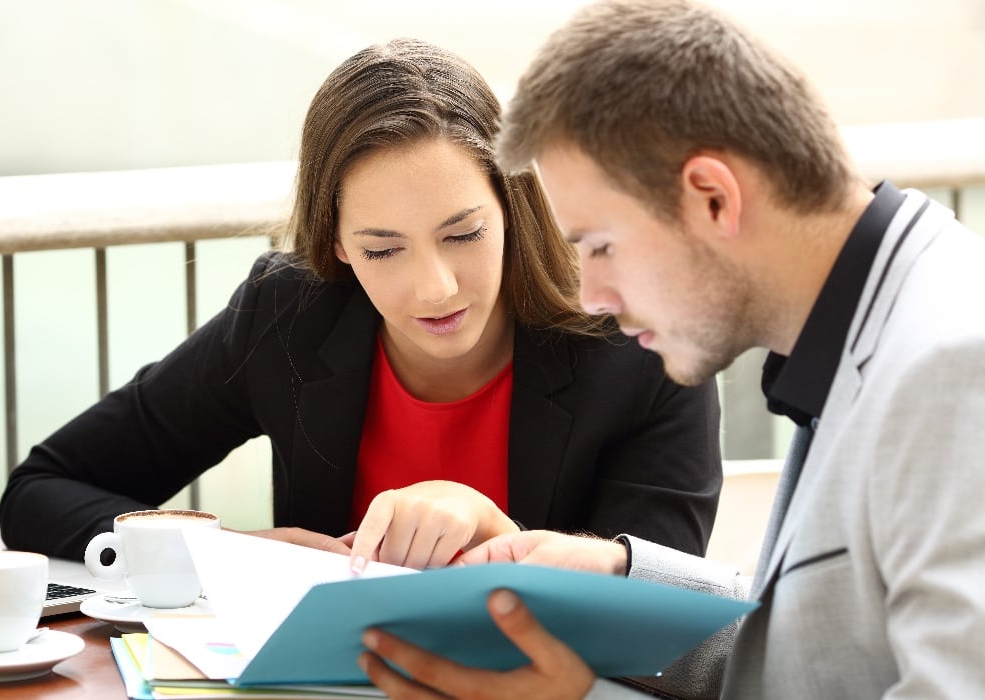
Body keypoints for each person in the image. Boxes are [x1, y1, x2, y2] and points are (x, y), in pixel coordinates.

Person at [358, 1, 985, 698]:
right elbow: (825, 648)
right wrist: (613, 584)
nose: (591, 293)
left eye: (600, 246)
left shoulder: (954, 369)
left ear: (713, 198)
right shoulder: (893, 316)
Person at [0, 38, 722, 572]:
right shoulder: (286, 318)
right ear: (337, 245)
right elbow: (42, 490)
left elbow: (667, 605)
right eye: (382, 250)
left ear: (512, 207)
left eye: (463, 234)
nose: (434, 286)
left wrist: (497, 533)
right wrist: (215, 551)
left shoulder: (640, 343)